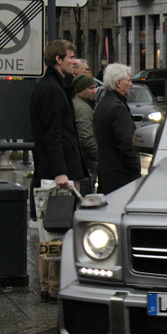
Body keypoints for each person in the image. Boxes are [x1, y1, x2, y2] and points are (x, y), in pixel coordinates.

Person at [29, 39, 87, 304]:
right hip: (57, 172)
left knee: (49, 227)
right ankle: (53, 287)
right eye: (71, 57)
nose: (74, 60)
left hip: (52, 168)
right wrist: (61, 172)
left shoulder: (51, 85)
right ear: (58, 60)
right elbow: (54, 134)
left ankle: (47, 285)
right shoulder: (52, 90)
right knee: (57, 228)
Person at [93, 63, 140, 195]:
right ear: (119, 83)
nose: (131, 84)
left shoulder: (103, 105)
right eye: (129, 80)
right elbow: (126, 144)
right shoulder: (118, 108)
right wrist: (135, 168)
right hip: (122, 177)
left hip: (107, 175)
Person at [73, 74, 99, 192]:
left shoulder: (78, 104)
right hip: (86, 160)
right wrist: (97, 156)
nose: (94, 91)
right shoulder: (83, 109)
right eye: (91, 88)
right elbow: (86, 138)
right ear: (80, 90)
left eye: (95, 87)